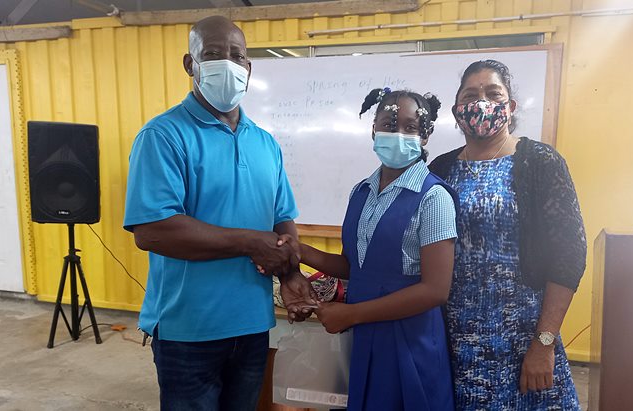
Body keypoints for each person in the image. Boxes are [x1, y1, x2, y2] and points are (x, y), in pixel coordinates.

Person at [123, 16, 315, 411]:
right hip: (188, 330)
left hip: (253, 323)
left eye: (236, 55)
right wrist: (251, 242)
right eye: (212, 53)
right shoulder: (163, 136)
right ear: (189, 64)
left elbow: (282, 219)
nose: (227, 63)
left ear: (248, 68)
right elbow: (153, 230)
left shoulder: (265, 143)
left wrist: (291, 274)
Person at [284, 88, 458, 411]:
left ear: (425, 135)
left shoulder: (434, 198)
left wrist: (351, 314)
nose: (398, 134)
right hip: (366, 334)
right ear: (374, 130)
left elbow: (435, 290)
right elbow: (355, 266)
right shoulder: (361, 192)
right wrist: (299, 250)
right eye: (389, 124)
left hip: (411, 338)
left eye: (410, 127)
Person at [428, 59, 587, 410]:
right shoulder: (441, 168)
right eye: (470, 95)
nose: (481, 102)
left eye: (493, 93)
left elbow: (569, 256)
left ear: (510, 106)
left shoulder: (540, 161)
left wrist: (544, 343)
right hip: (456, 339)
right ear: (457, 111)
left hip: (524, 337)